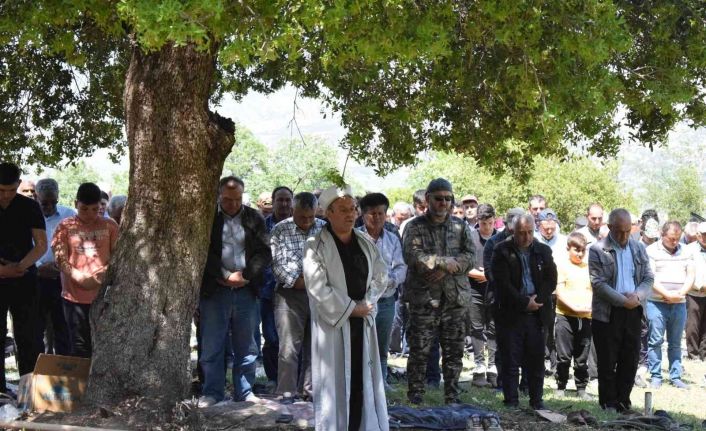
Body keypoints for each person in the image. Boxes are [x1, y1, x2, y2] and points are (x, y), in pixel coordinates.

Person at [303, 185, 389, 431]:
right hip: (334, 324)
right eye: (343, 210)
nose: (350, 214)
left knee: (362, 379)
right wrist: (351, 309)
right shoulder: (315, 245)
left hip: (362, 321)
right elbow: (317, 288)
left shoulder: (364, 241)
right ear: (328, 213)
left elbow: (381, 274)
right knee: (336, 381)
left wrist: (368, 302)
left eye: (352, 209)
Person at [198, 176, 271, 406]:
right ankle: (212, 392)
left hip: (246, 290)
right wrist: (224, 274)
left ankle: (245, 392)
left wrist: (245, 275)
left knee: (247, 345)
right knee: (212, 345)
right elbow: (202, 250)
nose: (233, 204)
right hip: (216, 289)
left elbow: (264, 252)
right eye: (228, 199)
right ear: (219, 195)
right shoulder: (209, 217)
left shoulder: (254, 218)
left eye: (237, 199)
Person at [403, 178, 474, 405]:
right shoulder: (415, 226)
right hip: (424, 299)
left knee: (454, 352)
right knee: (419, 350)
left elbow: (470, 256)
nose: (443, 203)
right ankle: (415, 394)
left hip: (454, 299)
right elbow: (412, 256)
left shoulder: (460, 226)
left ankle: (452, 395)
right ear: (428, 199)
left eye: (448, 198)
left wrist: (447, 269)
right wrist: (443, 262)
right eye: (439, 198)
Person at [589, 209, 652, 413]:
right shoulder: (598, 249)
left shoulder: (638, 248)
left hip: (634, 311)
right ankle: (608, 402)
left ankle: (623, 401)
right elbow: (598, 284)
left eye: (627, 231)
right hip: (608, 313)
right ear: (610, 227)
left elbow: (648, 278)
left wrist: (637, 297)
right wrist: (623, 301)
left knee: (630, 358)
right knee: (607, 359)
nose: (624, 236)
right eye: (619, 231)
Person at [493, 214, 557, 410]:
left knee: (536, 361)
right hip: (511, 312)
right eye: (522, 233)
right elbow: (502, 283)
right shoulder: (502, 250)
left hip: (537, 312)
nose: (526, 237)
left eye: (530, 232)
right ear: (513, 231)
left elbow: (551, 280)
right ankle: (511, 401)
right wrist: (523, 302)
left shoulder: (543, 250)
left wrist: (537, 300)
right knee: (510, 360)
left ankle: (537, 401)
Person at [52, 182, 118, 357]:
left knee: (102, 344)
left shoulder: (110, 225)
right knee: (79, 345)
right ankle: (82, 375)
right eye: (84, 209)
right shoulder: (65, 226)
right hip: (73, 298)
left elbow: (118, 257)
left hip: (103, 297)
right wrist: (79, 277)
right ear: (76, 204)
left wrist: (100, 276)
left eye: (95, 209)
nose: (89, 214)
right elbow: (60, 258)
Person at [271, 192, 325, 400]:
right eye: (302, 217)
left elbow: (329, 264)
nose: (307, 221)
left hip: (319, 295)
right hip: (289, 295)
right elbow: (278, 267)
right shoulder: (280, 230)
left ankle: (309, 391)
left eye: (311, 216)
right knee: (288, 347)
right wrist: (304, 281)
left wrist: (313, 281)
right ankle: (286, 391)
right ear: (293, 210)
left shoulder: (324, 229)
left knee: (316, 347)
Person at [0, 162, 46, 397]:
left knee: (29, 336)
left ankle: (31, 391)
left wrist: (19, 267)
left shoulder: (30, 206)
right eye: (1, 190)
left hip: (24, 277)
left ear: (18, 184)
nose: (6, 195)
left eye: (11, 190)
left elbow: (41, 245)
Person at [357, 193, 407, 391]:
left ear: (386, 214)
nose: (376, 217)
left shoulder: (393, 239)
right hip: (361, 301)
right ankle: (360, 383)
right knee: (361, 343)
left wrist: (389, 282)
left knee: (382, 343)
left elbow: (401, 267)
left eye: (380, 213)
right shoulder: (354, 238)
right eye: (372, 213)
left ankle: (381, 383)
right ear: (363, 214)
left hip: (386, 299)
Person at [645, 221, 693, 389]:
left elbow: (690, 276)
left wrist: (679, 294)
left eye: (678, 238)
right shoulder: (651, 251)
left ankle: (675, 376)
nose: (675, 242)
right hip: (656, 303)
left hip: (679, 303)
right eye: (672, 238)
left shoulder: (686, 251)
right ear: (662, 235)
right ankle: (656, 375)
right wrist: (667, 294)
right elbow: (650, 277)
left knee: (675, 342)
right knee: (655, 340)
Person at [35, 178, 75, 355]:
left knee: (63, 327)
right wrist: (38, 266)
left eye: (54, 202)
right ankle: (37, 366)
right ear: (37, 197)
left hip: (62, 279)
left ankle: (62, 366)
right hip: (35, 279)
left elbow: (76, 245)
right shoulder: (28, 214)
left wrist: (61, 264)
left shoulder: (69, 215)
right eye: (45, 203)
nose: (50, 206)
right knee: (36, 328)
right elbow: (22, 246)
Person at [261, 186, 294, 386]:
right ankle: (273, 378)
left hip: (294, 291)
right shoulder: (263, 225)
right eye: (280, 200)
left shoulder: (298, 224)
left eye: (287, 200)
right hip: (268, 290)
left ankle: (291, 379)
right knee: (271, 337)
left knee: (292, 338)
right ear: (273, 202)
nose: (284, 204)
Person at [554, 232, 593, 400]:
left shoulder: (589, 268)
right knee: (563, 356)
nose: (580, 253)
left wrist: (588, 307)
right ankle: (561, 385)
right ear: (568, 249)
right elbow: (559, 292)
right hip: (565, 316)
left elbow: (594, 291)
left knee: (582, 356)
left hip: (585, 317)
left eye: (583, 250)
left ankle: (581, 388)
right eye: (576, 250)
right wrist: (574, 307)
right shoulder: (562, 266)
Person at [467, 204, 498, 387]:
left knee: (493, 328)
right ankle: (479, 365)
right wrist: (479, 274)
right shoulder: (470, 238)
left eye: (490, 223)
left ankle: (493, 366)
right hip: (474, 289)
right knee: (476, 327)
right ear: (478, 221)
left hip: (494, 289)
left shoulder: (500, 238)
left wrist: (489, 275)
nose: (487, 227)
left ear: (495, 220)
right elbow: (463, 265)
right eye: (483, 223)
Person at [685, 222, 706, 361]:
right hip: (693, 293)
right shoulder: (689, 249)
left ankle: (704, 353)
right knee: (693, 325)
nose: (705, 237)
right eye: (703, 234)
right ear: (698, 235)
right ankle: (693, 354)